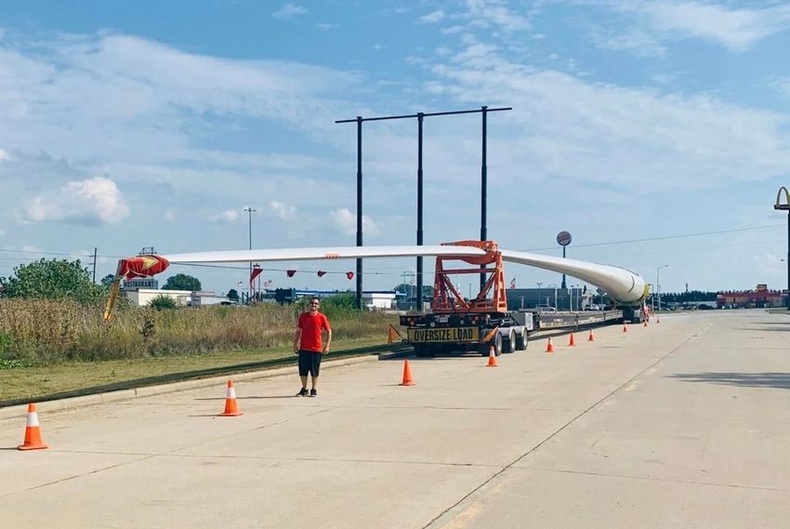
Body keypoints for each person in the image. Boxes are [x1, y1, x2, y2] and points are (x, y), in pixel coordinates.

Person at [294, 297, 331, 397]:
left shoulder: (321, 317)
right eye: (312, 303)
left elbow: (329, 331)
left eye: (315, 303)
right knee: (303, 370)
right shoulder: (303, 317)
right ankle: (304, 389)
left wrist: (327, 345)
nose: (313, 305)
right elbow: (298, 331)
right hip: (304, 348)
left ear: (318, 306)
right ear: (309, 304)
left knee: (314, 370)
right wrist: (295, 344)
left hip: (316, 348)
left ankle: (314, 389)